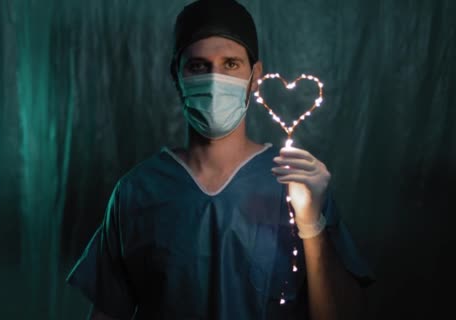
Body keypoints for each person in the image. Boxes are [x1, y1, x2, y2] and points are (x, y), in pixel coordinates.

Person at [66, 0, 374, 319]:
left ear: (255, 76)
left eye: (230, 65)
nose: (215, 81)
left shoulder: (296, 183)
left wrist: (312, 223)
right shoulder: (137, 192)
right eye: (198, 66)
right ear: (177, 75)